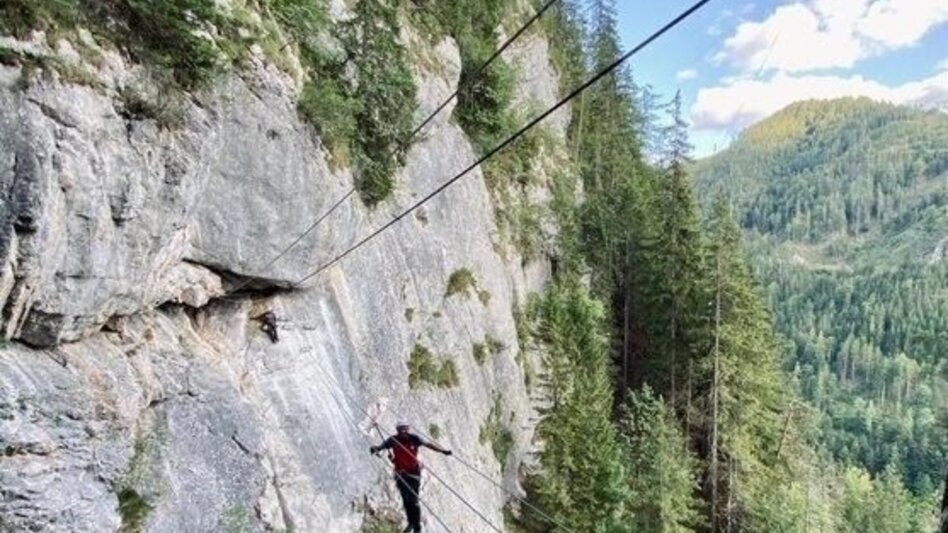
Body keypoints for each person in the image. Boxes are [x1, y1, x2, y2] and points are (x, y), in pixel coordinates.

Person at [369, 421, 452, 533]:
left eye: (405, 428)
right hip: (401, 474)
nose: (403, 431)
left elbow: (428, 445)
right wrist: (375, 449)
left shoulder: (414, 438)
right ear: (397, 430)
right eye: (400, 429)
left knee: (413, 501)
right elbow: (381, 447)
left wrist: (443, 451)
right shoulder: (393, 440)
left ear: (408, 429)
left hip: (413, 474)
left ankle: (417, 527)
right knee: (406, 501)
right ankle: (411, 523)